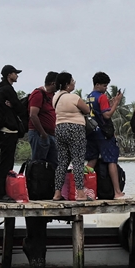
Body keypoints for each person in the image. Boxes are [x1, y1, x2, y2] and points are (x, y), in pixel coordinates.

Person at [53, 73, 93, 200]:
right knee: (78, 161)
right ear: (67, 84)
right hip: (75, 129)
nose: (74, 82)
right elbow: (87, 110)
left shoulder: (55, 97)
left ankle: (57, 193)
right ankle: (80, 193)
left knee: (62, 162)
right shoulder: (74, 97)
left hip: (60, 128)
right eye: (72, 80)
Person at [0, 66, 25, 200]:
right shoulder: (7, 89)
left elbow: (15, 105)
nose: (17, 75)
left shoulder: (2, 89)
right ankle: (2, 193)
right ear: (9, 75)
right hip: (8, 130)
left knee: (7, 162)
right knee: (6, 163)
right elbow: (19, 107)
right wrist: (15, 106)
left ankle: (5, 192)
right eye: (15, 73)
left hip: (6, 130)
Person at [88, 73, 122, 201]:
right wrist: (116, 103)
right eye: (104, 86)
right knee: (111, 160)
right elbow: (107, 115)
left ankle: (87, 189)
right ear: (97, 85)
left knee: (92, 159)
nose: (106, 88)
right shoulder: (101, 97)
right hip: (103, 133)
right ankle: (117, 192)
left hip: (91, 133)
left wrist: (110, 104)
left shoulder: (89, 97)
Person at [26, 72, 59, 172]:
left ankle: (52, 181)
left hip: (51, 134)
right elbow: (33, 114)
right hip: (39, 133)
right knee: (38, 163)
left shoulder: (53, 96)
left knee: (54, 163)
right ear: (53, 83)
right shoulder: (38, 94)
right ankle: (36, 181)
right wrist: (42, 133)